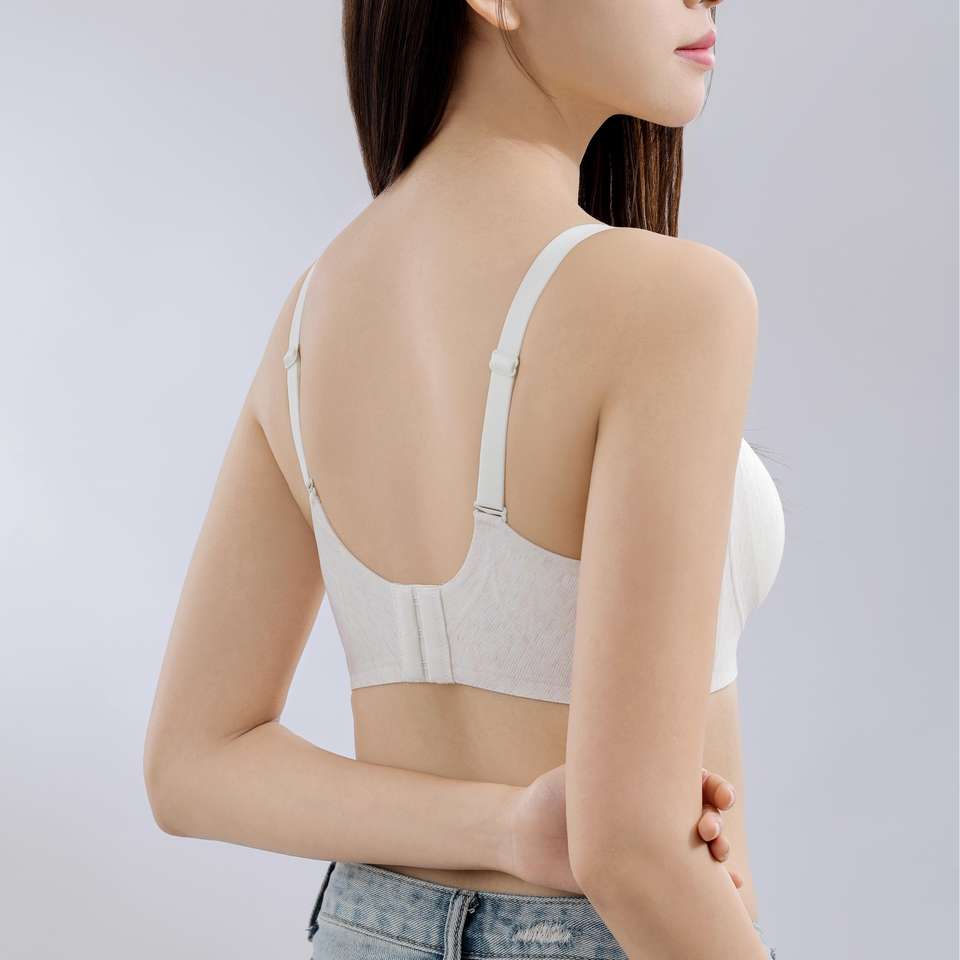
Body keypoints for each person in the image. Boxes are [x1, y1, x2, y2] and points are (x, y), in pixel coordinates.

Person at [143, 1, 785, 957]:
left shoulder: (311, 315)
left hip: (365, 927)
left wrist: (507, 828)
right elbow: (634, 851)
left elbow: (195, 763)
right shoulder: (676, 300)